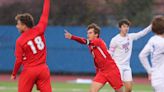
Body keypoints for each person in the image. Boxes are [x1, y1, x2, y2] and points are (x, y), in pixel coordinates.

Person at [65, 23, 123, 92]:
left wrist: (72, 37)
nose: (88, 35)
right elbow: (96, 60)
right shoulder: (90, 45)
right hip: (102, 72)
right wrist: (97, 71)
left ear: (96, 34)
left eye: (90, 33)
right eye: (87, 33)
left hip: (112, 70)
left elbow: (84, 41)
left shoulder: (98, 41)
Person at [11, 0, 52, 92]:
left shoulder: (20, 40)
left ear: (24, 26)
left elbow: (18, 60)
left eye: (18, 24)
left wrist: (14, 73)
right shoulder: (40, 29)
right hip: (43, 69)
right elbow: (45, 14)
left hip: (29, 71)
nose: (17, 26)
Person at [109, 19, 151, 92]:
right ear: (120, 28)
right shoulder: (115, 40)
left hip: (127, 67)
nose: (126, 28)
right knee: (118, 89)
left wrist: (151, 26)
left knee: (129, 89)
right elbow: (110, 54)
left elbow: (142, 33)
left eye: (127, 26)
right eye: (124, 26)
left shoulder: (130, 37)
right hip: (117, 66)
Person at [139, 15, 164, 92]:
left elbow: (142, 55)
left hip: (156, 78)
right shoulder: (161, 42)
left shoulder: (153, 40)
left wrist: (149, 71)